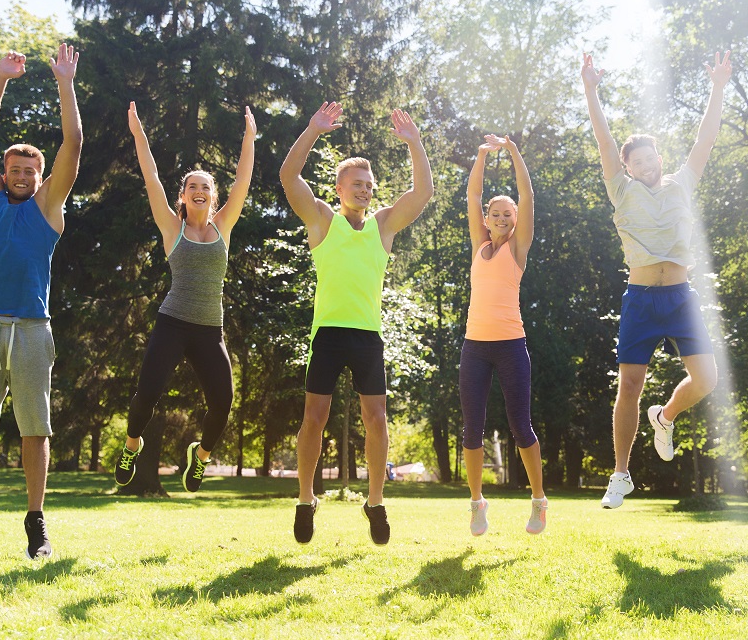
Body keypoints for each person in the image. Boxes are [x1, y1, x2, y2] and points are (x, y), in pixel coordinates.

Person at [582, 51, 731, 509]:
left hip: (682, 296)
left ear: (659, 159)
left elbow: (705, 140)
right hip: (642, 298)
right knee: (630, 383)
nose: (645, 165)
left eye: (650, 158)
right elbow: (605, 141)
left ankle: (664, 417)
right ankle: (621, 475)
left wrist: (718, 87)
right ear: (627, 168)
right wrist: (591, 91)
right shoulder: (621, 189)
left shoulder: (681, 182)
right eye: (636, 161)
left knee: (706, 380)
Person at [280, 102, 433, 545]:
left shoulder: (382, 226)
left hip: (367, 336)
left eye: (369, 185)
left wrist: (414, 143)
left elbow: (422, 193)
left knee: (377, 418)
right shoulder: (322, 221)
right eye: (357, 184)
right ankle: (306, 499)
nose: (365, 190)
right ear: (339, 188)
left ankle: (375, 502)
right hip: (327, 334)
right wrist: (312, 130)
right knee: (314, 417)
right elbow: (290, 178)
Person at [0, 45, 81, 559]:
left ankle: (35, 522)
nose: (23, 176)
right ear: (3, 171)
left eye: (32, 170)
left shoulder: (49, 207)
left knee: (35, 430)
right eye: (15, 168)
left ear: (42, 176)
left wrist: (64, 83)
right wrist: (0, 77)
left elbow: (74, 140)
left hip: (31, 329)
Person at [113, 102, 256, 493]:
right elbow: (151, 176)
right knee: (147, 394)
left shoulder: (224, 226)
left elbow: (243, 180)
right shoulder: (171, 226)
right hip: (173, 323)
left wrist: (248, 138)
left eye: (205, 187)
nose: (199, 191)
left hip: (210, 330)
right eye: (192, 186)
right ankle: (132, 446)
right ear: (184, 195)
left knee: (223, 402)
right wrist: (139, 134)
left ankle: (201, 457)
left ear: (213, 196)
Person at [461, 134, 547, 536]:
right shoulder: (479, 244)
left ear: (515, 220)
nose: (500, 217)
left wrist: (512, 150)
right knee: (471, 428)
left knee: (520, 426)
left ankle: (538, 501)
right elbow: (473, 192)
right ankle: (477, 504)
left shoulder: (518, 247)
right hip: (474, 348)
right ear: (486, 218)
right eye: (495, 213)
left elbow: (527, 195)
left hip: (512, 346)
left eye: (507, 214)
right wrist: (480, 155)